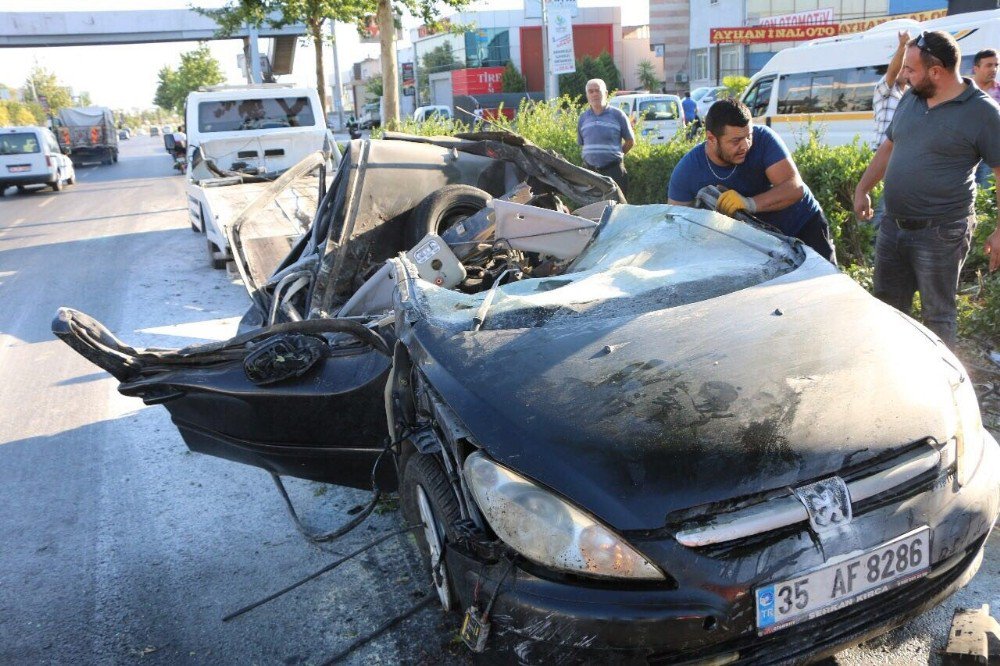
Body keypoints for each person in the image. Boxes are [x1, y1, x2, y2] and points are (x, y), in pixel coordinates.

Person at [853, 30, 1000, 348]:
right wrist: (863, 187)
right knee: (887, 308)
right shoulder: (912, 97)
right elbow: (889, 147)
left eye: (910, 69)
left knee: (938, 315)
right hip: (893, 227)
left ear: (936, 71)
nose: (903, 75)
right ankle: (892, 377)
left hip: (941, 232)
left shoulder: (983, 113)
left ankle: (941, 388)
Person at [667, 98, 836, 262]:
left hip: (803, 225)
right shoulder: (687, 171)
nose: (746, 145)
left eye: (749, 136)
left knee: (825, 286)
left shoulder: (764, 139)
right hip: (759, 244)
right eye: (736, 141)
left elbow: (794, 188)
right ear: (711, 138)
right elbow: (677, 224)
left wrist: (749, 203)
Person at [870, 30, 911, 232]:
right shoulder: (885, 89)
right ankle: (873, 242)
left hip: (901, 154)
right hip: (884, 153)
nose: (907, 70)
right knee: (884, 204)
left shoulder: (908, 95)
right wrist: (903, 46)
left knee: (890, 201)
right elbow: (893, 72)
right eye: (904, 66)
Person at [577, 78, 634, 195]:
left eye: (597, 90)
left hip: (614, 172)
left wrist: (617, 154)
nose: (594, 94)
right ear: (587, 95)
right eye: (590, 91)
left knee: (617, 208)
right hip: (589, 173)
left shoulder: (618, 115)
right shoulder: (583, 118)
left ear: (606, 93)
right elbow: (583, 143)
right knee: (591, 209)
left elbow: (630, 141)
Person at [971, 49, 1000, 187]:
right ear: (975, 68)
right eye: (989, 65)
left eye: (996, 65)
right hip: (966, 151)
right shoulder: (963, 91)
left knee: (985, 196)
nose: (994, 69)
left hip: (991, 154)